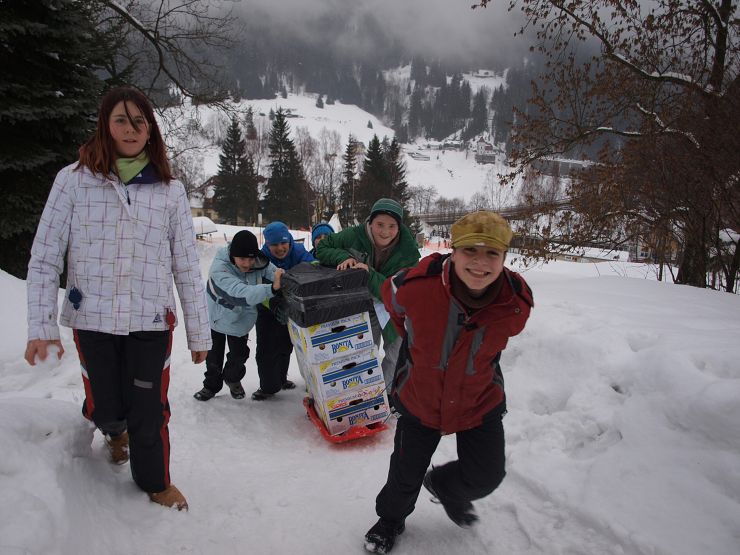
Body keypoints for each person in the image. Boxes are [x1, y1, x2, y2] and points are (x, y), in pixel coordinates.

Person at [24, 86, 212, 511]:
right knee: (106, 406)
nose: (131, 129)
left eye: (139, 121)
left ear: (150, 130)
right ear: (105, 126)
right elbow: (45, 257)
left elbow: (186, 265)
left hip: (150, 321)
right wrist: (41, 327)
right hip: (92, 317)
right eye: (121, 120)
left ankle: (155, 482)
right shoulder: (73, 181)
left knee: (149, 409)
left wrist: (199, 334)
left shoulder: (169, 191)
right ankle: (113, 431)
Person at [363, 211, 534, 553]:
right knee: (404, 476)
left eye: (492, 253)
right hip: (421, 397)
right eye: (470, 250)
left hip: (478, 400)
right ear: (453, 251)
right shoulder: (415, 285)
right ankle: (390, 520)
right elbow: (392, 302)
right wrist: (416, 344)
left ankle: (444, 486)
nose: (480, 263)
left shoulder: (515, 300)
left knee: (486, 475)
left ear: (504, 257)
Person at [314, 198, 420, 384]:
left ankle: (389, 393)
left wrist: (369, 275)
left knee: (396, 353)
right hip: (361, 305)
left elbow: (399, 293)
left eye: (392, 226)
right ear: (370, 222)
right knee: (362, 352)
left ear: (399, 227)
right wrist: (343, 256)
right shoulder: (354, 235)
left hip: (393, 310)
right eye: (380, 224)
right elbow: (322, 247)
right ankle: (364, 392)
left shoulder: (408, 251)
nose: (385, 232)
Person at [194, 230, 285, 402]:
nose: (247, 264)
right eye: (242, 259)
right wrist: (271, 289)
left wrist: (285, 279)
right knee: (213, 358)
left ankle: (233, 379)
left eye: (251, 259)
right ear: (233, 255)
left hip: (241, 320)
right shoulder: (219, 269)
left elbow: (275, 273)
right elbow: (238, 293)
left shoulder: (257, 262)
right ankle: (211, 386)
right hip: (217, 318)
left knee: (239, 355)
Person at [252, 221, 314, 400]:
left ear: (289, 241)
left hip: (292, 308)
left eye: (283, 243)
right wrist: (274, 304)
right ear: (267, 244)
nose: (280, 248)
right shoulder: (261, 258)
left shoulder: (298, 251)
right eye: (274, 244)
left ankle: (281, 378)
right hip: (267, 308)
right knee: (267, 348)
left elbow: (313, 267)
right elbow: (256, 288)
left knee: (286, 345)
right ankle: (267, 387)